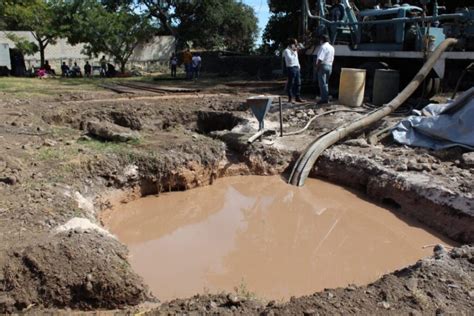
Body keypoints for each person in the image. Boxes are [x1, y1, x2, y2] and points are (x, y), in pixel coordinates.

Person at [315, 34, 335, 104]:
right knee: (326, 83)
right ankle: (326, 97)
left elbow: (320, 58)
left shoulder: (323, 47)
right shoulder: (332, 47)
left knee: (322, 84)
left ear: (322, 40)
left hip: (323, 66)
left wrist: (317, 67)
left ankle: (324, 99)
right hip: (330, 66)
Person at [283, 38, 304, 103]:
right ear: (290, 44)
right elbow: (290, 59)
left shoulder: (294, 51)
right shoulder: (287, 51)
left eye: (296, 44)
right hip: (291, 67)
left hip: (296, 67)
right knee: (291, 83)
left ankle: (297, 97)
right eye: (294, 44)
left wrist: (299, 66)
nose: (295, 45)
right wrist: (294, 52)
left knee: (298, 83)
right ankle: (290, 97)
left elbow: (296, 59)